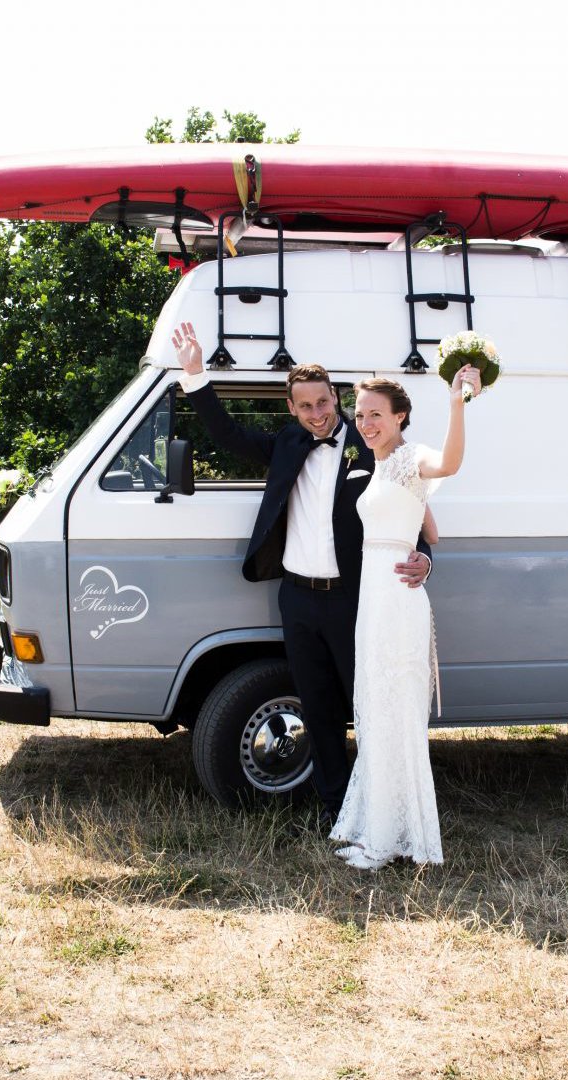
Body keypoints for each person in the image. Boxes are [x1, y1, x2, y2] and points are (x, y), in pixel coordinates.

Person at [170, 322, 433, 829]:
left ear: (335, 396)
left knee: (371, 705)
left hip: (356, 598)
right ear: (292, 408)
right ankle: (338, 809)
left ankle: (383, 808)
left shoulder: (371, 441)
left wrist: (424, 555)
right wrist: (195, 375)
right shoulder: (287, 444)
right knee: (318, 709)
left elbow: (407, 501)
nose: (317, 413)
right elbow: (225, 433)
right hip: (297, 598)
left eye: (323, 402)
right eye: (305, 406)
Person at [328, 370, 477, 870]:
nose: (366, 422)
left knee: (396, 715)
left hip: (397, 602)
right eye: (361, 413)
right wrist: (425, 554)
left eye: (376, 414)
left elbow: (451, 464)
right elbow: (429, 528)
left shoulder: (412, 459)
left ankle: (392, 840)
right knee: (374, 711)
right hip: (373, 601)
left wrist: (457, 403)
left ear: (400, 417)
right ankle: (379, 829)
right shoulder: (379, 466)